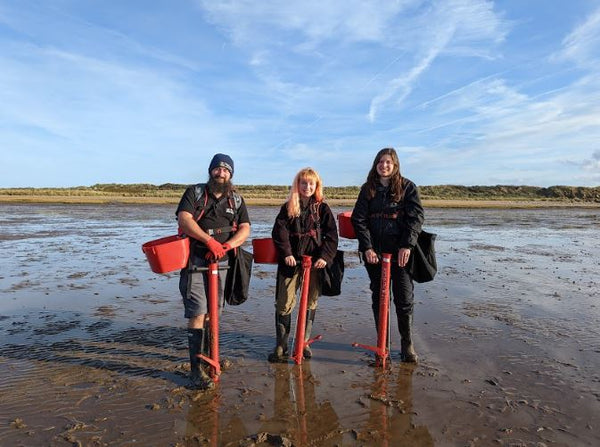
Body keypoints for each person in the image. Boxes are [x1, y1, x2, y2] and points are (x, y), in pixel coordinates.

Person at [176, 153, 251, 389]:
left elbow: (246, 228)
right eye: (217, 169)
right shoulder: (195, 193)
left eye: (226, 170)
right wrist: (209, 242)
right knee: (198, 312)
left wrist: (227, 245)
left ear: (231, 175)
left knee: (214, 312)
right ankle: (196, 369)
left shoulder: (236, 200)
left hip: (224, 263)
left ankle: (212, 357)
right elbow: (184, 219)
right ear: (210, 171)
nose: (221, 173)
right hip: (196, 260)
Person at [351, 148, 424, 363]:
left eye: (388, 162)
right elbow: (358, 219)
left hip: (401, 252)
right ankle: (382, 341)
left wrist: (407, 246)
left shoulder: (407, 187)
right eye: (381, 162)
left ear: (395, 165)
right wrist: (367, 248)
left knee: (404, 298)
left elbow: (416, 218)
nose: (384, 166)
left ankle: (407, 343)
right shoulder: (367, 189)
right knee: (379, 296)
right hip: (375, 253)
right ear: (376, 164)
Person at [268, 168, 339, 362]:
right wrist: (287, 254)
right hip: (290, 263)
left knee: (310, 301)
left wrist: (325, 256)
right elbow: (279, 233)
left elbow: (332, 236)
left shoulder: (322, 208)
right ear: (297, 185)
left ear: (316, 186)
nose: (307, 187)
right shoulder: (288, 207)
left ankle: (304, 342)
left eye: (311, 184)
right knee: (284, 302)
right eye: (303, 183)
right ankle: (281, 345)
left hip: (315, 264)